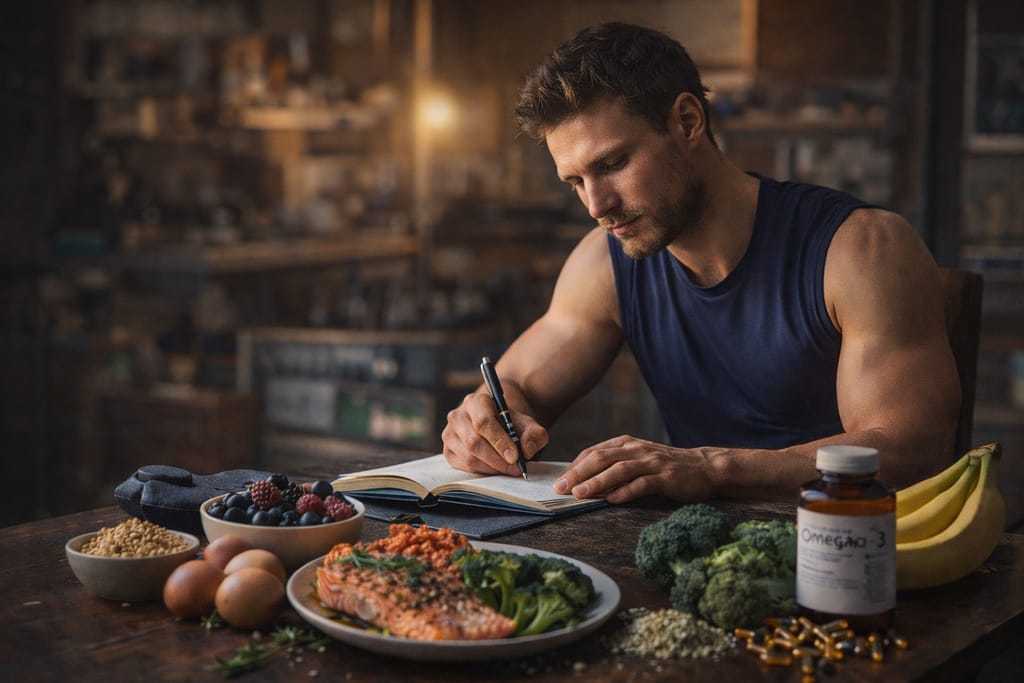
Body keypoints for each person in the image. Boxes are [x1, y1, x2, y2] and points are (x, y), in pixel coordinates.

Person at [441, 22, 961, 504]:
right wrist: (484, 419)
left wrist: (714, 469)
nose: (597, 206)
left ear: (687, 121)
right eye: (576, 181)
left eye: (613, 164)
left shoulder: (861, 249)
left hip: (850, 555)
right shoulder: (603, 265)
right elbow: (519, 388)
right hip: (695, 559)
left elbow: (911, 450)